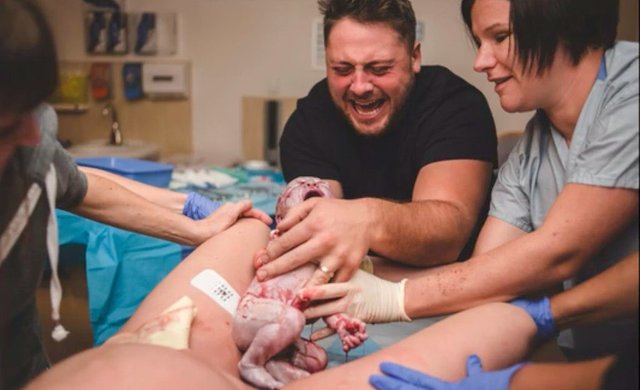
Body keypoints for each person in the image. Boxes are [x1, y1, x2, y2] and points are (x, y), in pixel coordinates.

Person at [293, 0, 638, 361]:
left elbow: (559, 251)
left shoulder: (631, 92)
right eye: (480, 43)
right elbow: (486, 272)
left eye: (500, 37)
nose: (480, 62)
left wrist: (393, 298)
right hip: (594, 358)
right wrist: (362, 276)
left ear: (560, 23)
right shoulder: (535, 144)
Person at [0, 1, 270, 388]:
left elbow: (77, 184)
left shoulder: (33, 139)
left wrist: (191, 222)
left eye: (35, 112)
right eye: (8, 128)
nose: (31, 136)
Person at [24, 218, 540, 390]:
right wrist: (545, 316)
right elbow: (500, 316)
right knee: (506, 320)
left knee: (251, 231)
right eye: (344, 67)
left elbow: (447, 228)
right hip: (215, 360)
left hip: (156, 340)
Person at [255, 0, 498, 286]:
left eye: (379, 69)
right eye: (342, 69)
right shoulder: (308, 123)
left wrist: (364, 217)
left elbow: (447, 234)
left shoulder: (455, 106)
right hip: (351, 289)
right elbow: (319, 235)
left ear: (414, 57)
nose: (359, 86)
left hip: (453, 289)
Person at [368, 251, 639, 390]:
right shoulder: (526, 162)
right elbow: (486, 270)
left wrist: (516, 384)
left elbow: (561, 250)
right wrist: (550, 312)